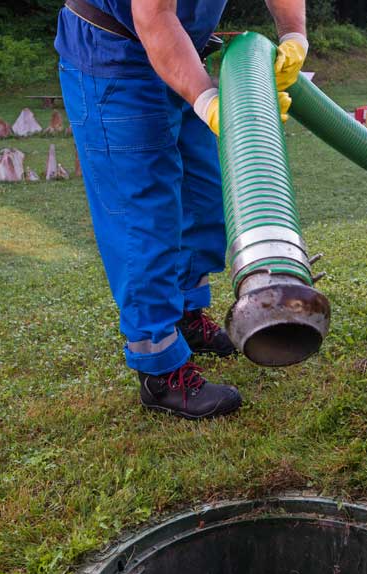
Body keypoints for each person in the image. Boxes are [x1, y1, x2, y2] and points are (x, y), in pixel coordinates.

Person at [54, 1, 308, 419]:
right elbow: (154, 16)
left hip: (184, 49)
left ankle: (187, 315)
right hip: (116, 57)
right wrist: (206, 99)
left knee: (203, 196)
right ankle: (160, 371)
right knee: (144, 219)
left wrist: (293, 35)